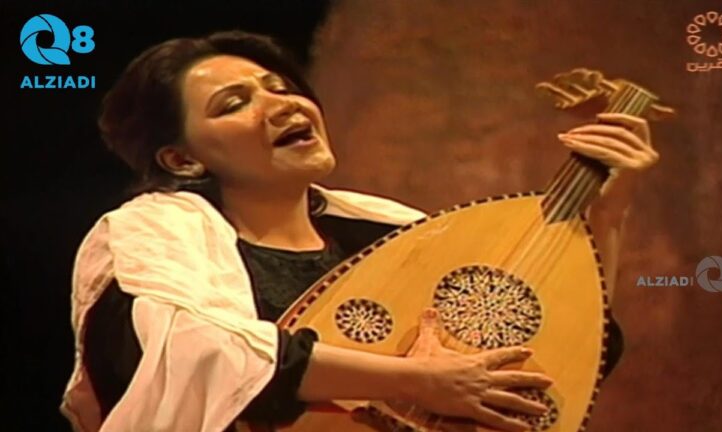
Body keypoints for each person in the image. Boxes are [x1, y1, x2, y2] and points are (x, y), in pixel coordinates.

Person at [61, 30, 657, 432]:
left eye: (280, 87)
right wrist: (419, 382)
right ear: (182, 159)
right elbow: (204, 355)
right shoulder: (153, 241)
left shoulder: (388, 235)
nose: (283, 104)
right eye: (233, 104)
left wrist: (607, 215)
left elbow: (559, 354)